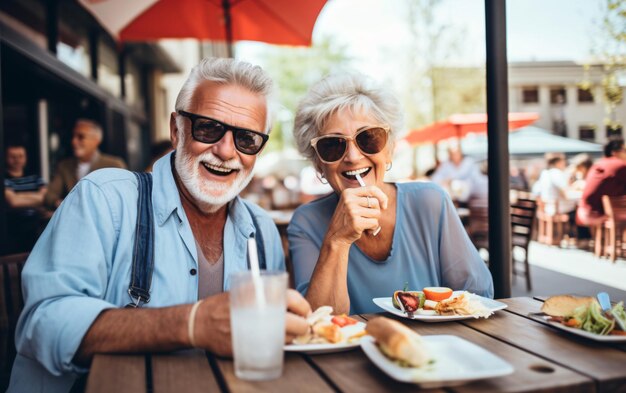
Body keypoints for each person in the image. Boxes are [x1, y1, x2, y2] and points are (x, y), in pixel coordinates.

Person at [9, 57, 311, 392]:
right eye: (209, 128)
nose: (226, 151)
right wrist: (193, 324)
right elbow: (44, 323)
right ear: (176, 129)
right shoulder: (106, 198)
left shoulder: (261, 230)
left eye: (247, 139)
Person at [288, 73, 493, 315]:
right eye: (332, 145)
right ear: (318, 164)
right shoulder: (306, 223)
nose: (353, 156)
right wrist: (338, 241)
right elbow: (318, 323)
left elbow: (477, 295)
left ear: (390, 149)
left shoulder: (430, 202)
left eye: (368, 138)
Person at [44, 119, 126, 209]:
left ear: (96, 140)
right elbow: (50, 195)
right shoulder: (64, 165)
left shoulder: (114, 165)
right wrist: (63, 204)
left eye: (81, 137)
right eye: (73, 136)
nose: (74, 141)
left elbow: (123, 198)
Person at [3, 143, 47, 253]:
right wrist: (36, 197)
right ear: (5, 158)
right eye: (13, 157)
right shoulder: (3, 178)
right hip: (13, 226)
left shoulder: (35, 176)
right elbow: (13, 202)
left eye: (20, 156)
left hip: (36, 224)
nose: (17, 160)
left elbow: (46, 198)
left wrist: (19, 195)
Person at [577, 136, 626, 225]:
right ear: (615, 152)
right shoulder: (620, 165)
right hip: (601, 214)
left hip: (584, 211)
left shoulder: (598, 164)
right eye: (624, 150)